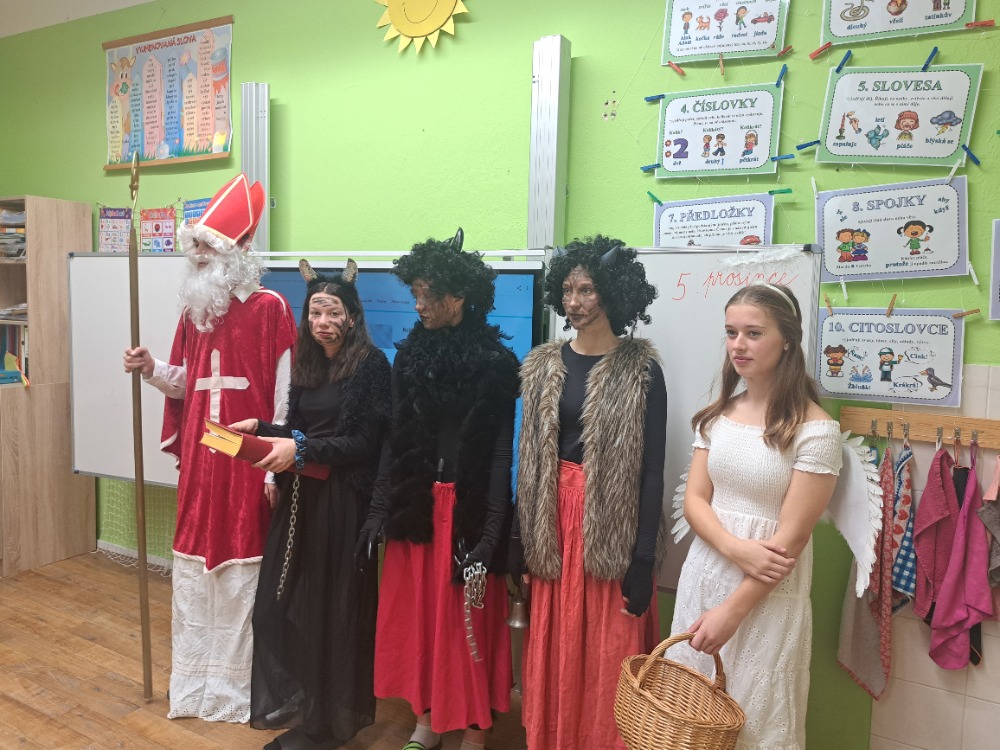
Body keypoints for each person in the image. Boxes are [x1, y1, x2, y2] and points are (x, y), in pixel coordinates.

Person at [123, 173, 298, 722]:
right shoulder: (194, 313)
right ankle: (196, 685)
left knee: (242, 560)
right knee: (196, 558)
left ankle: (237, 690)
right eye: (194, 245)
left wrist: (272, 465)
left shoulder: (270, 307)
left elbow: (286, 393)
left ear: (237, 250)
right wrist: (152, 369)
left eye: (207, 245)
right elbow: (186, 382)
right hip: (204, 456)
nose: (197, 254)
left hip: (247, 456)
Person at [359, 229, 519, 750]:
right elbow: (396, 439)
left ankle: (475, 731)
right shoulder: (409, 356)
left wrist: (491, 536)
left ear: (458, 295)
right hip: (418, 508)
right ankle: (427, 720)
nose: (418, 304)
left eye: (427, 294)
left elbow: (500, 454)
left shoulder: (496, 363)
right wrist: (379, 510)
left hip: (467, 511)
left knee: (467, 622)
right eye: (415, 293)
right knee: (423, 623)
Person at [669, 283, 842, 749]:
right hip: (705, 575)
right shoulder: (718, 416)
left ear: (786, 340)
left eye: (754, 333)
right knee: (690, 718)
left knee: (754, 721)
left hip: (764, 595)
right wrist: (735, 548)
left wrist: (731, 612)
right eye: (731, 333)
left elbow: (791, 541)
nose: (738, 345)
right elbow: (695, 501)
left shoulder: (816, 430)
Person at [227, 259, 391, 749]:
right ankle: (308, 706)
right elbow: (299, 430)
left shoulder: (371, 365)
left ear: (352, 317)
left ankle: (327, 726)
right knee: (280, 608)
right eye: (315, 312)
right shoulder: (306, 361)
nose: (322, 321)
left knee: (333, 613)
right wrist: (263, 429)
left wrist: (301, 449)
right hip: (300, 496)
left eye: (333, 312)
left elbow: (364, 443)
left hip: (343, 503)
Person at [512, 236, 667, 750]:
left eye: (587, 290)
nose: (574, 302)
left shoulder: (641, 369)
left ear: (614, 293)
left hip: (610, 529)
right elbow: (529, 459)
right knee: (556, 649)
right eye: (568, 290)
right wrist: (522, 539)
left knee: (609, 653)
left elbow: (652, 471)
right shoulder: (541, 365)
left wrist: (642, 560)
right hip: (552, 526)